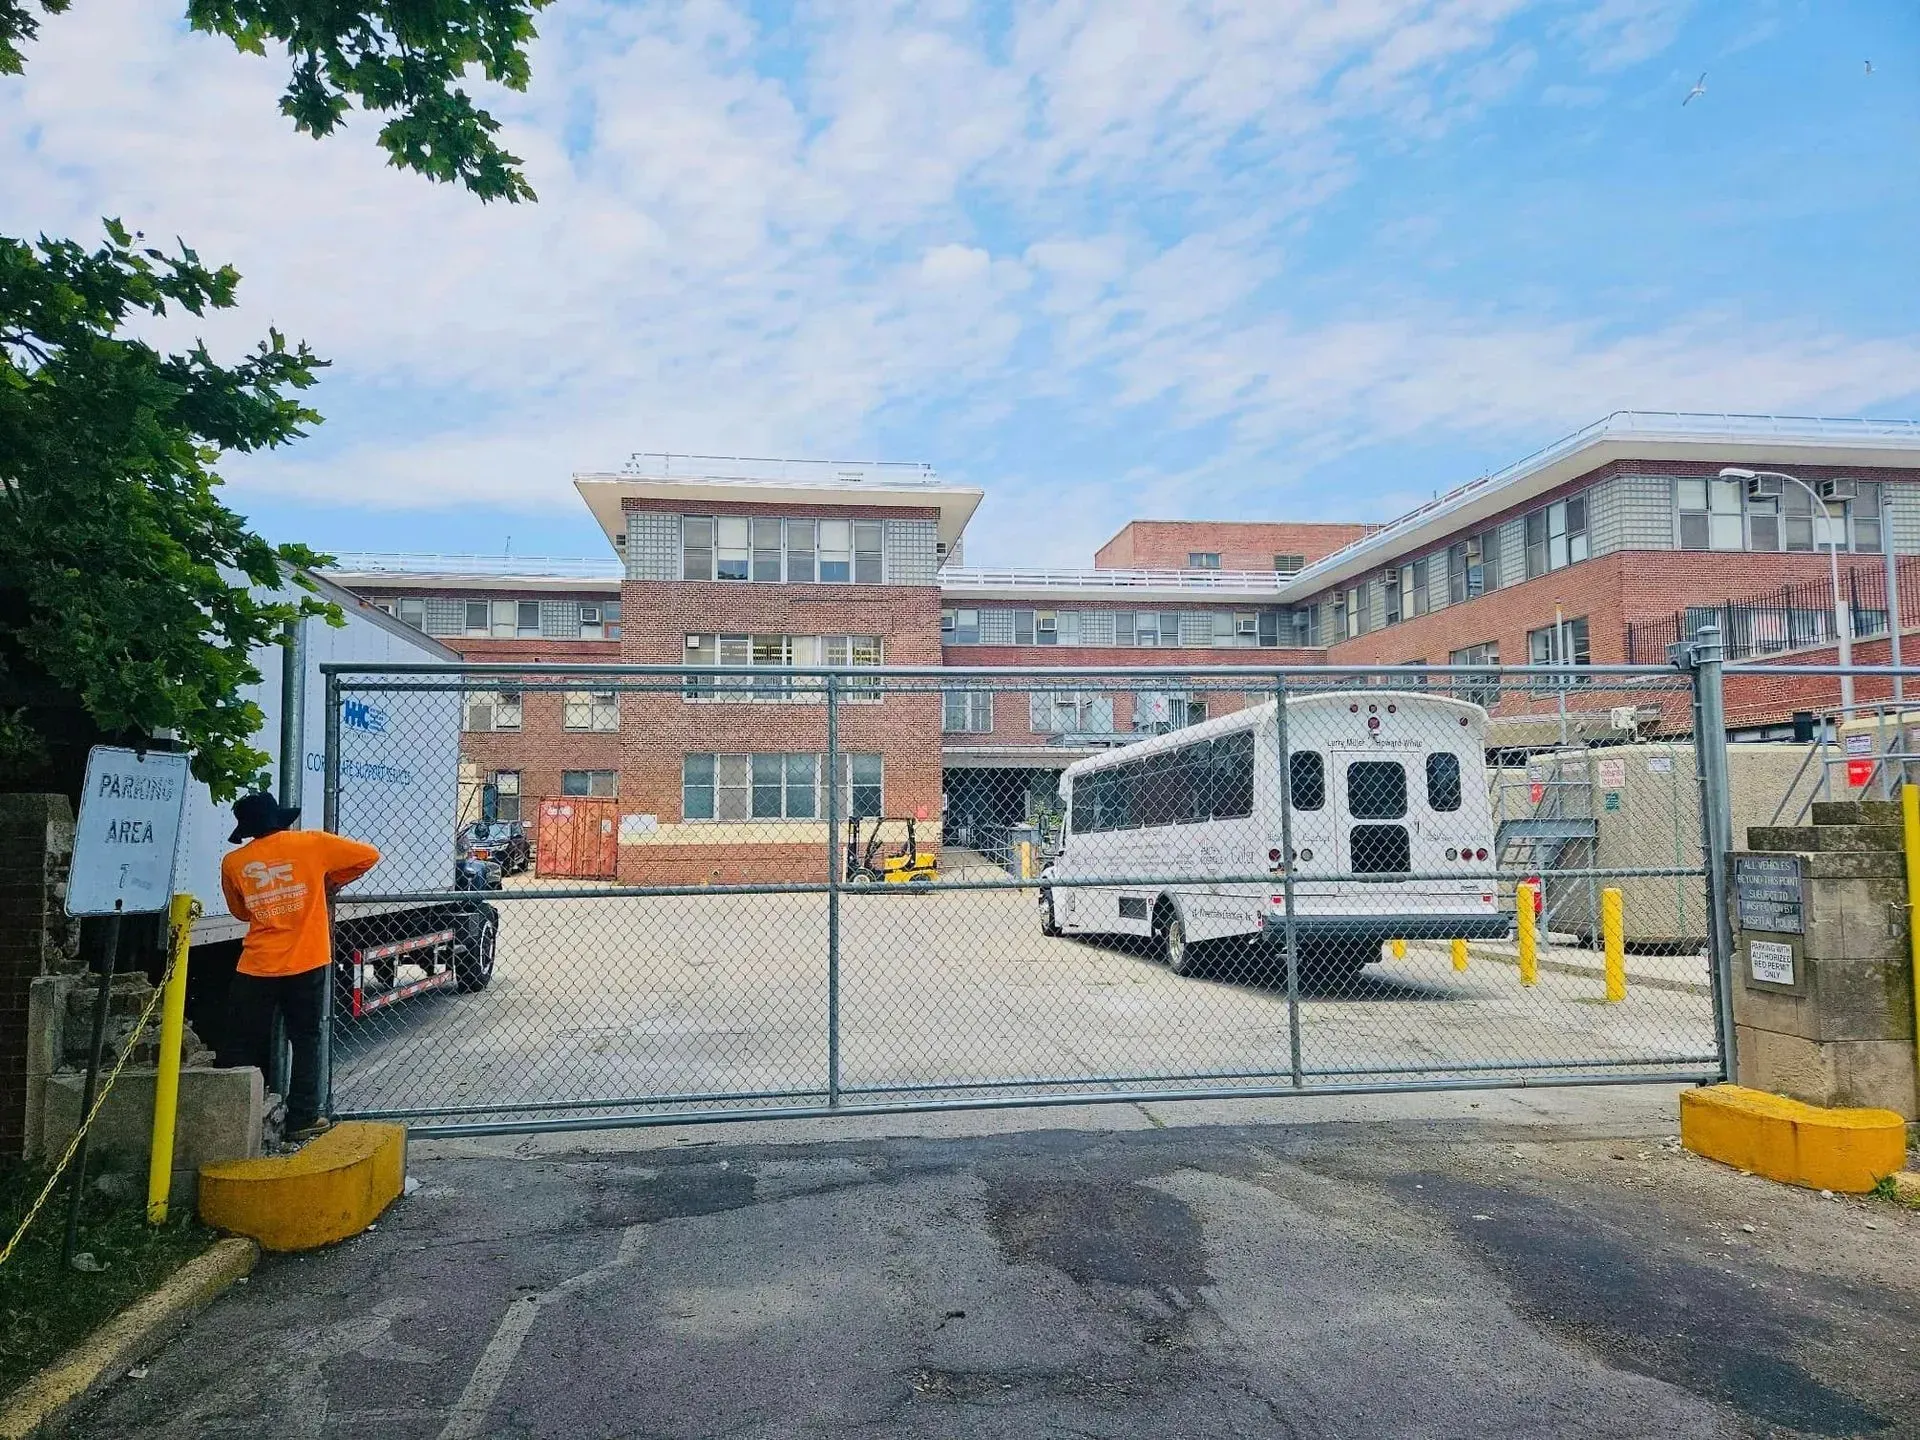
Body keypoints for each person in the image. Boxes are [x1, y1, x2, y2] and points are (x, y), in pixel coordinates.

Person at [218, 791, 380, 1140]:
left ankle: (235, 1118)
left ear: (247, 828)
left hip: (257, 964)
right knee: (306, 1039)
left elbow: (241, 912)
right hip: (307, 960)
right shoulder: (312, 844)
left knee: (242, 1041)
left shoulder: (234, 863)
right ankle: (302, 1117)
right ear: (279, 818)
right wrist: (328, 882)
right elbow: (369, 856)